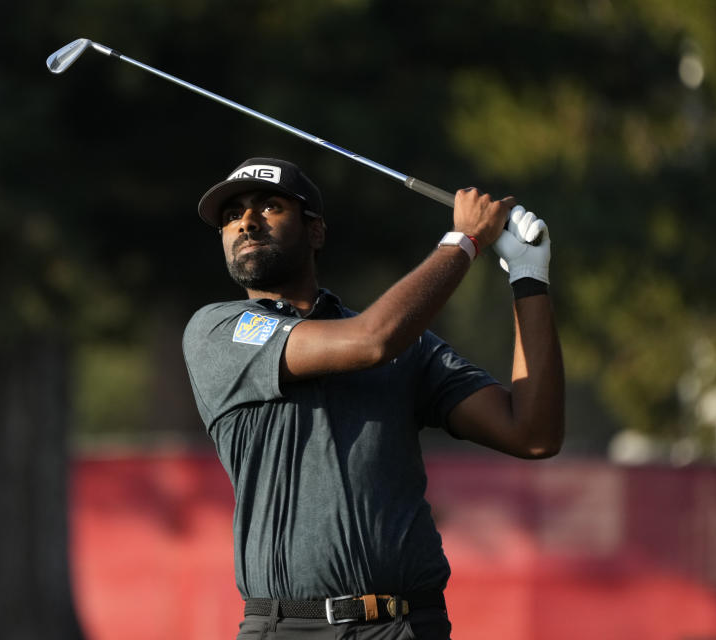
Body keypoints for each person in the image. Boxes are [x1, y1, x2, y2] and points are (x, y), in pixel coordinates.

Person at [182, 157, 564, 639]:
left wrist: (528, 277)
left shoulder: (409, 345)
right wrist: (464, 241)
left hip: (408, 625)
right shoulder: (218, 330)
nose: (246, 222)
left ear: (316, 232)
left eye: (270, 206)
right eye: (231, 216)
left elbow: (532, 433)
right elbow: (370, 342)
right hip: (289, 628)